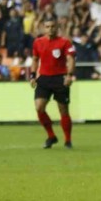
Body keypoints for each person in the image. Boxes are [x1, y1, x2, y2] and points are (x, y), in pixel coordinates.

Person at [30, 18, 76, 149]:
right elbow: (35, 59)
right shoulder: (38, 42)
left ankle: (68, 140)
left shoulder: (64, 42)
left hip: (60, 78)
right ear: (44, 28)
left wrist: (69, 75)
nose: (50, 29)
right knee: (39, 107)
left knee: (63, 110)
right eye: (47, 26)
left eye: (53, 26)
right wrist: (33, 76)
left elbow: (70, 59)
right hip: (44, 78)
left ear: (57, 28)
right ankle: (51, 136)